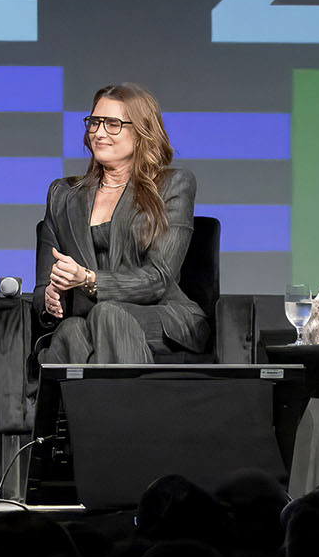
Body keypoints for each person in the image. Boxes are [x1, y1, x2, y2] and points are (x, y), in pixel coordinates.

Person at [33, 83, 208, 363]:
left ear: (141, 132)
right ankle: (101, 407)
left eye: (113, 124)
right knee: (71, 330)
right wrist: (52, 297)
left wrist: (89, 280)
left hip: (162, 315)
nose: (99, 133)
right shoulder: (63, 195)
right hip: (88, 318)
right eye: (94, 122)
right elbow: (43, 287)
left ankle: (121, 406)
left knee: (107, 314)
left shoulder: (172, 184)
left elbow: (158, 279)